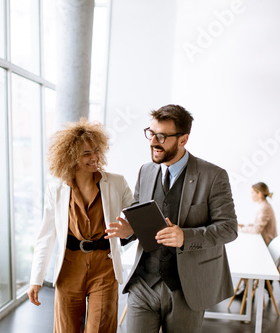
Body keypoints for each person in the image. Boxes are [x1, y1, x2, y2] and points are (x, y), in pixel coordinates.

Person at [105, 104, 238, 333]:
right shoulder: (145, 171)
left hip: (186, 289)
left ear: (183, 139)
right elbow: (140, 215)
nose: (153, 141)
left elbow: (229, 228)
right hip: (143, 283)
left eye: (162, 136)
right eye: (151, 133)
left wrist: (185, 236)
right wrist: (130, 231)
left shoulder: (213, 176)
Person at [27, 119, 133, 333]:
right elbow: (46, 236)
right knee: (66, 329)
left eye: (96, 151)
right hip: (69, 266)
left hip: (104, 265)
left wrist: (130, 229)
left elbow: (138, 218)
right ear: (70, 157)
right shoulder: (56, 189)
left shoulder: (116, 182)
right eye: (86, 153)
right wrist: (36, 279)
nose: (94, 157)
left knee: (100, 328)